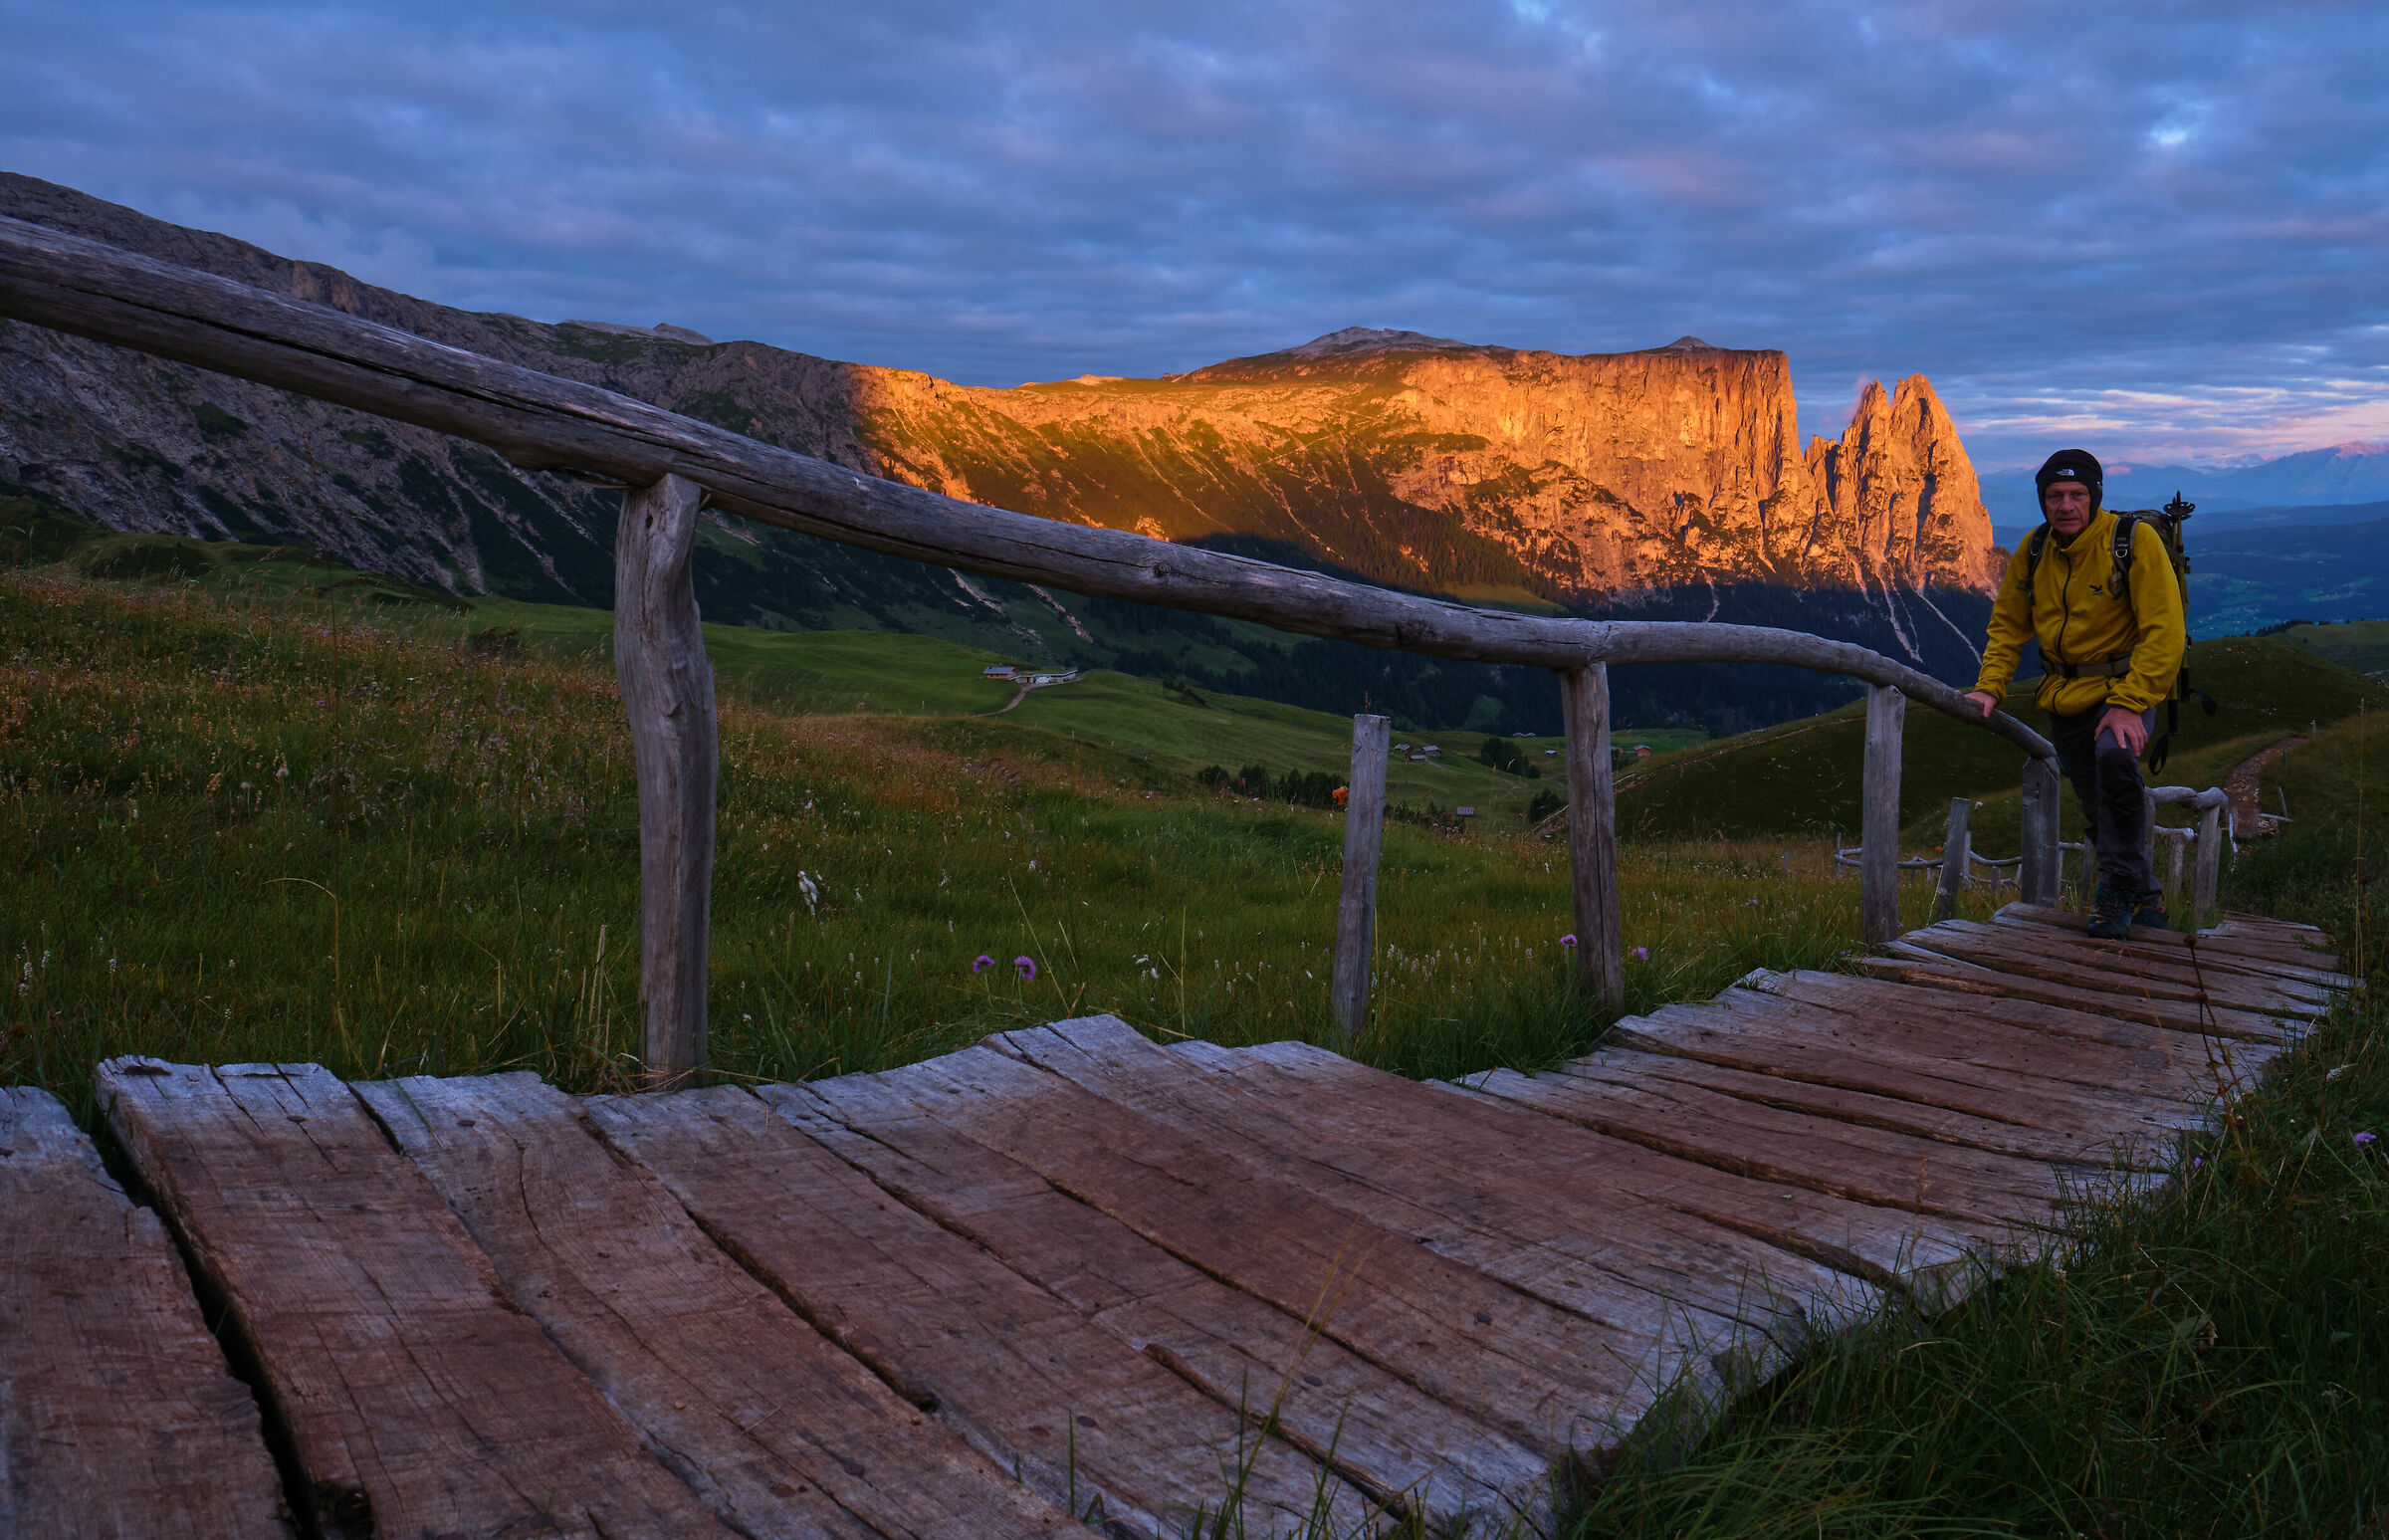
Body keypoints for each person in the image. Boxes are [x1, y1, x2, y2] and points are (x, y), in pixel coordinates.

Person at [1964, 449, 2185, 939]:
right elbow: (2007, 626)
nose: (2066, 505)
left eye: (2077, 495)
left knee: (2114, 760)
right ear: (2043, 500)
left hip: (2125, 689)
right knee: (2095, 801)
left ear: (2094, 497)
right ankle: (2148, 902)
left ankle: (2116, 891)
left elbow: (2165, 630)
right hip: (2063, 694)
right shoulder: (2036, 547)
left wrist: (2130, 703)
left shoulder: (2132, 541)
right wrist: (1990, 686)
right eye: (2055, 495)